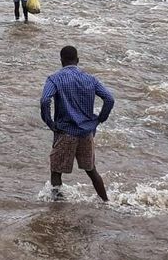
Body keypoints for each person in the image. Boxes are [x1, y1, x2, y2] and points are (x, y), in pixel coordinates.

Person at [39, 45, 114, 201]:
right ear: (78, 60)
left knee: (56, 172)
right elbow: (109, 99)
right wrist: (99, 119)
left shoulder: (55, 79)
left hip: (66, 132)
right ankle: (106, 202)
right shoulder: (90, 79)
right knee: (92, 171)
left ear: (61, 61)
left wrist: (50, 123)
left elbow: (45, 100)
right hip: (86, 133)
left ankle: (57, 207)